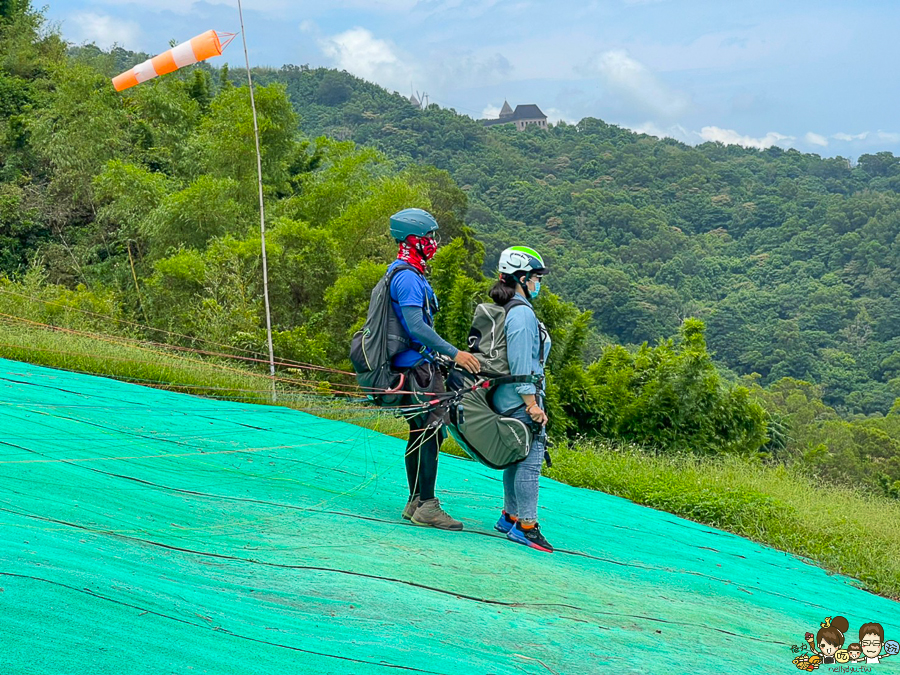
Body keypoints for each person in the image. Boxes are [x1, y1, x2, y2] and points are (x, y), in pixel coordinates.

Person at [387, 208, 480, 531]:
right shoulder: (409, 279)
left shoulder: (401, 272)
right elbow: (416, 327)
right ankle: (427, 503)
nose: (433, 243)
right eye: (428, 237)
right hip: (417, 370)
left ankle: (415, 500)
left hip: (412, 366)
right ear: (412, 240)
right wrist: (455, 354)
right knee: (431, 432)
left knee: (419, 431)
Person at [489, 246, 553, 552]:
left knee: (517, 455)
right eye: (536, 277)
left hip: (504, 396)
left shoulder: (506, 307)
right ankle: (527, 526)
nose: (538, 283)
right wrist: (532, 405)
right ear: (523, 278)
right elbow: (521, 364)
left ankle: (510, 515)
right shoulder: (522, 313)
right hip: (519, 399)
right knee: (531, 459)